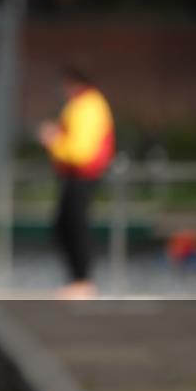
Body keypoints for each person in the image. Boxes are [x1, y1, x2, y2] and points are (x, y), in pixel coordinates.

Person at [37, 65, 115, 299]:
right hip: (78, 174)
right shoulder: (87, 104)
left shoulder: (86, 105)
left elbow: (80, 150)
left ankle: (83, 281)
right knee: (67, 224)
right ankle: (78, 280)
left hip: (82, 173)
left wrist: (53, 141)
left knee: (74, 225)